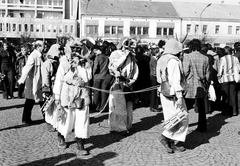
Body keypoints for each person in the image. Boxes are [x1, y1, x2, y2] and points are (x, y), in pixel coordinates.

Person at [53, 53, 92, 156]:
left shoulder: (86, 64)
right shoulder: (64, 63)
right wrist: (57, 97)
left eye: (78, 50)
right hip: (67, 94)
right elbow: (59, 79)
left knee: (82, 120)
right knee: (66, 119)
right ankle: (61, 136)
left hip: (82, 95)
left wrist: (80, 65)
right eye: (74, 49)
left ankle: (80, 144)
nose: (76, 53)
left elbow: (87, 78)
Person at [156, 38, 188, 154]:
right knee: (182, 118)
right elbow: (175, 80)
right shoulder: (173, 61)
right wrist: (179, 96)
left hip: (164, 92)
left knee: (172, 119)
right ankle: (165, 137)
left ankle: (171, 143)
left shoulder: (162, 58)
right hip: (173, 94)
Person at [108, 38, 139, 135]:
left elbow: (135, 68)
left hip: (128, 84)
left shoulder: (132, 56)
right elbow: (113, 66)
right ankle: (118, 128)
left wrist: (133, 79)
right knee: (118, 107)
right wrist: (124, 55)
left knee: (129, 107)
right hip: (117, 83)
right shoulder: (115, 54)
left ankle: (128, 125)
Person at [183, 39, 210, 132]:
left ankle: (183, 126)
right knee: (201, 106)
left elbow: (185, 71)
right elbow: (207, 74)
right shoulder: (205, 58)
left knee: (185, 106)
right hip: (201, 84)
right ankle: (202, 126)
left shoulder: (187, 56)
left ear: (191, 46)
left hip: (190, 83)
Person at [18, 40, 45, 125]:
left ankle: (47, 118)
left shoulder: (40, 55)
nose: (44, 48)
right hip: (33, 82)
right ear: (38, 47)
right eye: (43, 46)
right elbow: (26, 68)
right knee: (31, 100)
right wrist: (22, 79)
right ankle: (26, 119)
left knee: (41, 100)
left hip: (39, 82)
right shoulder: (33, 56)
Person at [41, 44, 60, 131]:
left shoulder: (57, 62)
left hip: (57, 87)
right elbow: (45, 77)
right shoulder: (47, 63)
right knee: (49, 107)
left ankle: (55, 122)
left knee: (56, 106)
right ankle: (49, 123)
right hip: (50, 88)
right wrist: (47, 90)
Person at [218, 46, 239, 116]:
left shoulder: (223, 59)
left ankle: (225, 111)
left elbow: (220, 70)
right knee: (233, 95)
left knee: (225, 96)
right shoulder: (235, 58)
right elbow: (238, 68)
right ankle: (234, 111)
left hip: (225, 78)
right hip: (233, 78)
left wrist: (219, 77)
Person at [92, 45, 111, 112]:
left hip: (97, 77)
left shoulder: (98, 57)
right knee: (104, 93)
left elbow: (95, 67)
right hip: (105, 76)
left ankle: (96, 107)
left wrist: (93, 74)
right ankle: (103, 107)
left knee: (96, 93)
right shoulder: (107, 57)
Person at [149, 45, 161, 112]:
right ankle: (153, 106)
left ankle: (155, 106)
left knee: (155, 92)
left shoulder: (154, 58)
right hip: (154, 76)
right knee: (154, 92)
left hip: (154, 76)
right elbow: (155, 69)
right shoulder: (153, 59)